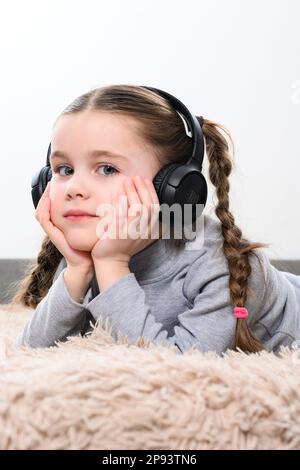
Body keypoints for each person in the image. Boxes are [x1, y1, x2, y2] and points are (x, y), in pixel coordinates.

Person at [12, 84, 300, 355]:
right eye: (64, 169)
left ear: (172, 187)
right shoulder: (94, 244)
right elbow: (27, 352)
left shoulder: (217, 262)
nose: (74, 188)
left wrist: (112, 266)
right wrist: (78, 270)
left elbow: (178, 369)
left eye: (107, 169)